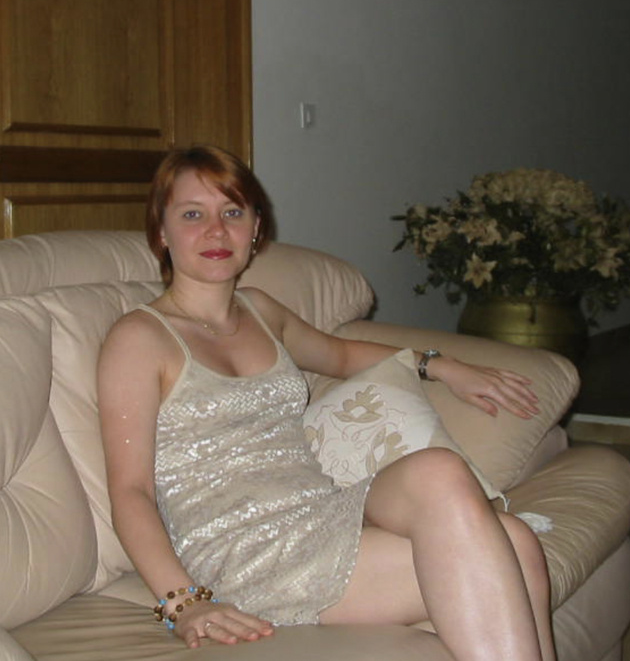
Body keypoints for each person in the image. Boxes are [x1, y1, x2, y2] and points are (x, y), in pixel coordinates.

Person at [98, 144, 556, 661]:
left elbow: (340, 354)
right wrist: (183, 602)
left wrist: (444, 366)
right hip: (241, 552)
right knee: (509, 548)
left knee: (477, 504)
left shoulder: (261, 311)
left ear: (255, 228)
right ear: (161, 232)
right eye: (191, 215)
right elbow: (130, 491)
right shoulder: (139, 338)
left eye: (232, 213)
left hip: (319, 514)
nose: (216, 231)